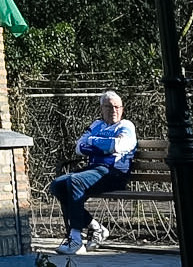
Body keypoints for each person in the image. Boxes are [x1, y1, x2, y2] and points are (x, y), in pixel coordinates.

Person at [49, 90, 135, 254]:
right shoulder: (97, 125)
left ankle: (75, 239)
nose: (113, 110)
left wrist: (93, 143)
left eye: (117, 107)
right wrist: (104, 147)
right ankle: (95, 227)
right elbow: (79, 147)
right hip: (95, 170)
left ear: (122, 109)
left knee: (74, 181)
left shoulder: (126, 126)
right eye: (108, 107)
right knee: (58, 185)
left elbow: (118, 146)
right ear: (102, 109)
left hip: (114, 173)